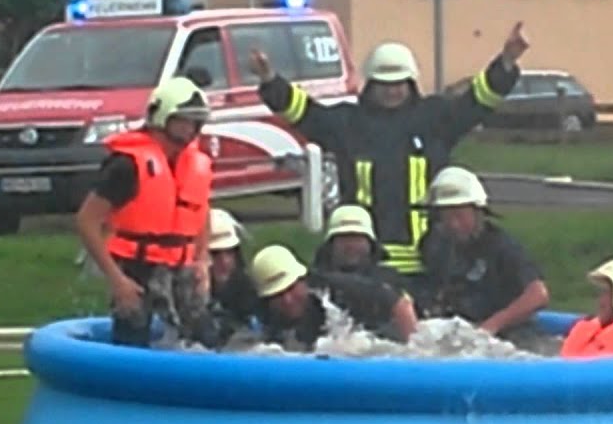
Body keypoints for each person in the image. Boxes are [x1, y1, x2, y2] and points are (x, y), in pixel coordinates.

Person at [249, 23, 530, 283]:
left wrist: (506, 61)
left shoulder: (435, 119)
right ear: (371, 84)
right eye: (384, 84)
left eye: (399, 83)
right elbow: (303, 112)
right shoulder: (348, 123)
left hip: (430, 260)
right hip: (363, 261)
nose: (392, 91)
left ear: (411, 83)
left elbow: (478, 100)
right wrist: (269, 79)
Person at [76, 76, 214, 348]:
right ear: (161, 117)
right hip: (135, 267)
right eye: (183, 120)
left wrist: (202, 260)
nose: (190, 129)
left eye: (195, 122)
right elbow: (86, 221)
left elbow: (201, 213)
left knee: (204, 340)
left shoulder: (194, 164)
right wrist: (118, 280)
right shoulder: (127, 165)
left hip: (182, 268)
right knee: (132, 339)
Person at [417, 166, 550, 345]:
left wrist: (490, 327)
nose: (454, 224)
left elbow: (538, 295)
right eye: (446, 217)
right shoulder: (435, 245)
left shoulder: (500, 246)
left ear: (478, 212)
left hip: (508, 337)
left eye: (460, 216)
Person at [248, 244, 419, 352]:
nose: (287, 300)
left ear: (303, 280)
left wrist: (414, 352)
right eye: (277, 295)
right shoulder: (261, 315)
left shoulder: (337, 291)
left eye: (291, 289)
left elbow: (401, 304)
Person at [312, 204, 407, 291]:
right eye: (344, 238)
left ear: (370, 244)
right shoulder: (313, 284)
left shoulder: (390, 283)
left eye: (357, 239)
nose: (351, 245)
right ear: (330, 244)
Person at [202, 207, 260, 347]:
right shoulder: (184, 295)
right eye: (215, 253)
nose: (225, 261)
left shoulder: (249, 293)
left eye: (229, 252)